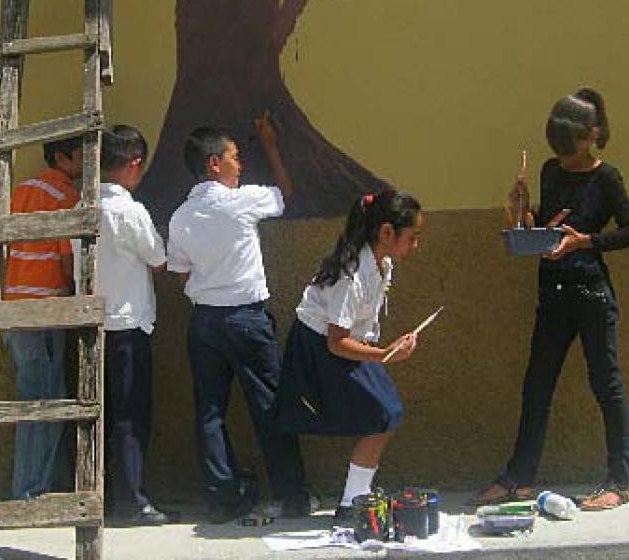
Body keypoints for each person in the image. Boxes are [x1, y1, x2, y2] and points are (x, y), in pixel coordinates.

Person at [471, 87, 629, 511]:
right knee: (536, 386)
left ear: (592, 137)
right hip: (552, 291)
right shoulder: (550, 170)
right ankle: (519, 478)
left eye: (572, 150)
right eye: (560, 151)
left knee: (606, 384)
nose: (565, 159)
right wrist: (519, 214)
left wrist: (585, 242)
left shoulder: (607, 178)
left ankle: (620, 482)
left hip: (589, 291)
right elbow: (544, 230)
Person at [166, 116, 314, 523]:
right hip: (246, 320)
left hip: (203, 323)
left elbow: (181, 273)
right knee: (269, 406)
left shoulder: (179, 217)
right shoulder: (242, 201)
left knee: (209, 412)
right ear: (215, 163)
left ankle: (224, 496)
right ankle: (292, 494)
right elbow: (284, 193)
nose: (240, 164)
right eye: (234, 156)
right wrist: (269, 143)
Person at [273, 190, 424, 527]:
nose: (415, 245)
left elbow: (362, 324)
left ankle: (354, 499)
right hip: (319, 348)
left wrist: (383, 349)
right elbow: (336, 341)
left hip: (350, 344)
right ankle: (352, 503)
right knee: (382, 412)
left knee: (387, 413)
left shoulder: (382, 264)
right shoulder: (351, 274)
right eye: (412, 238)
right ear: (387, 233)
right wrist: (384, 355)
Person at [97, 125, 179, 525]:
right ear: (133, 165)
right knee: (130, 414)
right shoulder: (131, 211)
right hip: (127, 324)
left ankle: (100, 495)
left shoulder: (82, 207)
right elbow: (159, 260)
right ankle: (131, 499)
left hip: (88, 325)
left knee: (96, 414)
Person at [2, 136, 82, 500]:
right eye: (82, 156)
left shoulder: (21, 190)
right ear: (63, 159)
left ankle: (46, 482)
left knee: (34, 394)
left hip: (14, 303)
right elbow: (68, 260)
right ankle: (31, 491)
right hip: (45, 305)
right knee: (44, 400)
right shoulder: (66, 196)